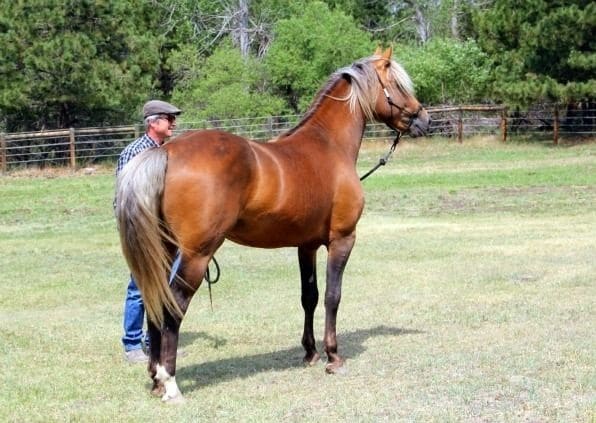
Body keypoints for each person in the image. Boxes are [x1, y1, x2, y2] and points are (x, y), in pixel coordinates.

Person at [116, 100, 182, 363]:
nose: (173, 123)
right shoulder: (134, 153)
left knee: (166, 285)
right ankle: (132, 344)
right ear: (154, 122)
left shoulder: (171, 152)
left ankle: (152, 340)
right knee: (140, 286)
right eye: (169, 118)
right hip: (144, 229)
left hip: (166, 231)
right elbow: (122, 199)